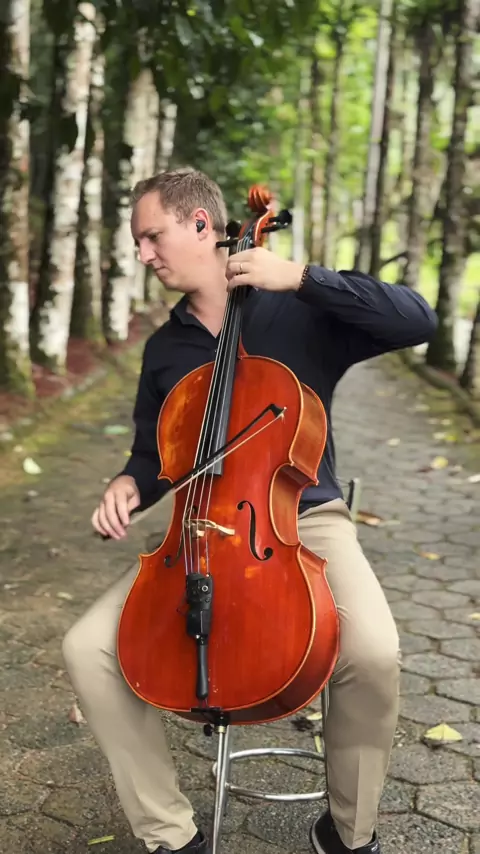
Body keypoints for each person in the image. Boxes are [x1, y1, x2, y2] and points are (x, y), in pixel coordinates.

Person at [62, 167, 437, 854]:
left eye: (153, 236)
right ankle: (171, 835)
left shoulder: (299, 309)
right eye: (139, 242)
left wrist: (303, 278)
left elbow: (417, 319)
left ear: (202, 225)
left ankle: (348, 832)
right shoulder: (166, 347)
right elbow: (153, 453)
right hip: (197, 530)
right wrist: (127, 484)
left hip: (301, 521)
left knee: (374, 652)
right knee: (87, 648)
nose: (143, 254)